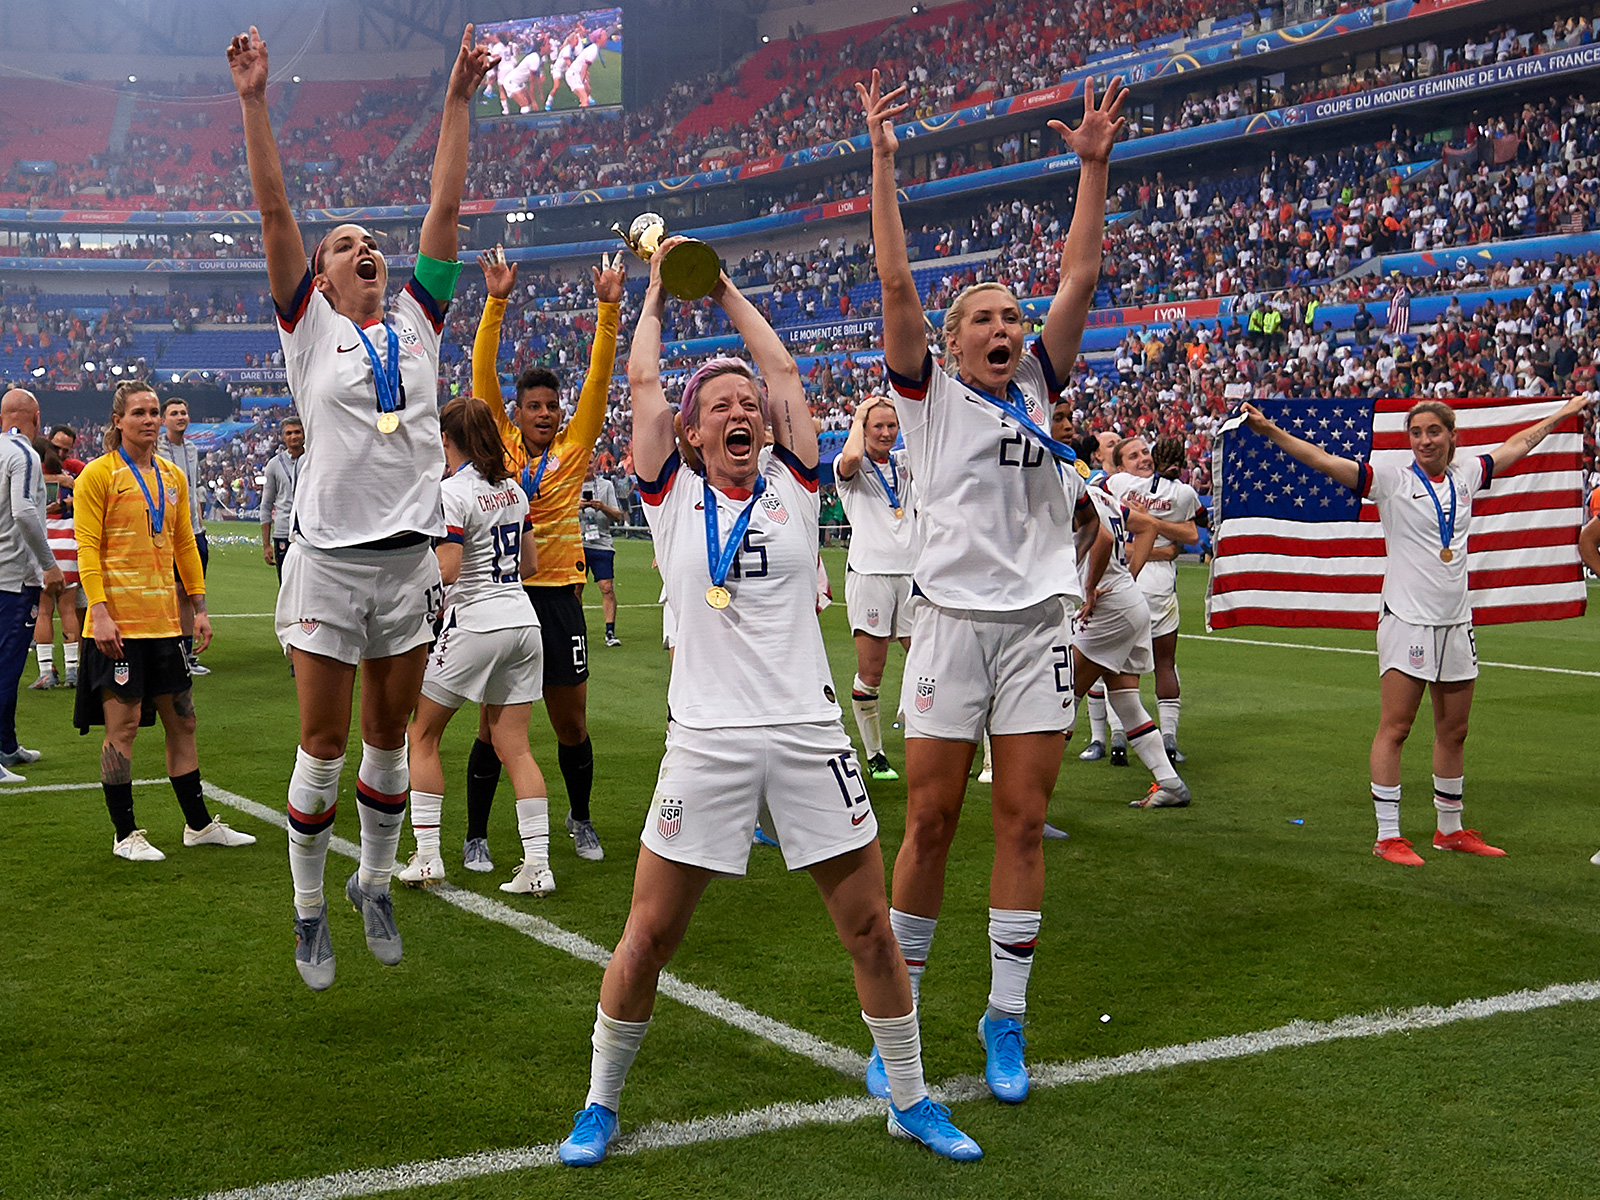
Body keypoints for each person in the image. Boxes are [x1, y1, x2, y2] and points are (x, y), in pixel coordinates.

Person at [555, 241, 980, 1169]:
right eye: (721, 407)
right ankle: (599, 1103)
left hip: (806, 733)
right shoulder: (668, 499)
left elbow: (783, 368)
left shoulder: (792, 483)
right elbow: (641, 384)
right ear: (693, 433)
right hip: (704, 743)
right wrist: (662, 294)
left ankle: (910, 1097)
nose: (742, 410)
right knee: (648, 935)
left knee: (869, 928)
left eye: (749, 404)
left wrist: (726, 287)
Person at [860, 69, 1122, 1103]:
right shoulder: (924, 399)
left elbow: (1083, 275)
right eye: (986, 317)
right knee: (929, 824)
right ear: (954, 338)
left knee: (1019, 822)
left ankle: (1003, 1020)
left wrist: (1091, 167)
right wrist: (882, 165)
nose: (1007, 325)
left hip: (1033, 633)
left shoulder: (1040, 386)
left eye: (1014, 314)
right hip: (952, 628)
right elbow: (893, 287)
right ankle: (900, 1026)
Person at [231, 21, 488, 989]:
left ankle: (373, 884)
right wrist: (256, 102)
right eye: (344, 247)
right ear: (324, 278)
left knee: (390, 740)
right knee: (327, 744)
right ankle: (306, 908)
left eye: (369, 244)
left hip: (409, 562)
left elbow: (446, 203)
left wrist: (457, 98)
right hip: (330, 564)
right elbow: (271, 217)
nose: (361, 251)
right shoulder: (309, 334)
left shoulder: (419, 320)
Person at [1240, 395, 1596, 865]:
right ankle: (1388, 836)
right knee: (1397, 727)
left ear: (1452, 435)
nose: (1424, 440)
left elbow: (1518, 445)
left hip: (1456, 621)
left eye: (1433, 431)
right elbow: (1324, 461)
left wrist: (1563, 414)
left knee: (1455, 729)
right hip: (1407, 619)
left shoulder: (1467, 474)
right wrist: (1272, 434)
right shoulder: (1391, 479)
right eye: (1416, 433)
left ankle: (1449, 830)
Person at [471, 244, 621, 868]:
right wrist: (496, 301)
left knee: (571, 723)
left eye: (550, 407)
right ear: (516, 413)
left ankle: (580, 819)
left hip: (559, 597)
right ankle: (476, 834)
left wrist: (607, 311)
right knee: (493, 727)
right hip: (504, 596)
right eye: (533, 406)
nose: (543, 414)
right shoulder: (499, 446)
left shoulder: (575, 446)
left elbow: (597, 379)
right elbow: (482, 370)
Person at [73, 381, 253, 860]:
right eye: (139, 413)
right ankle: (125, 834)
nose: (150, 420)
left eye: (154, 412)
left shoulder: (173, 476)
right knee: (125, 726)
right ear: (118, 421)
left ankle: (197, 825)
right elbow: (87, 548)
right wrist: (101, 611)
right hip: (118, 628)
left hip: (165, 625)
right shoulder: (98, 475)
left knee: (185, 722)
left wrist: (199, 606)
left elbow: (183, 546)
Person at [399, 398, 551, 894]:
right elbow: (530, 565)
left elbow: (448, 568)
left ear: (448, 440)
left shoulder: (452, 492)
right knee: (517, 747)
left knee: (420, 735)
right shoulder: (512, 491)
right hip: (524, 622)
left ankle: (426, 858)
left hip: (477, 622)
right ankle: (538, 866)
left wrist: (419, 612)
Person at [1069, 482, 1190, 807]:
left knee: (1062, 702)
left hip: (1106, 607)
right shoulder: (1100, 496)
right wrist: (1128, 575)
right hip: (1127, 599)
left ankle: (1029, 809)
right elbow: (1149, 525)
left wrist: (1089, 585)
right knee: (1125, 700)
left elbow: (1104, 538)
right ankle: (1171, 784)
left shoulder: (1065, 489)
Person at [833, 394, 916, 781]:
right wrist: (858, 417)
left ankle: (918, 723)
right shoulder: (849, 467)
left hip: (913, 574)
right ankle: (875, 754)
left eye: (891, 426)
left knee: (928, 659)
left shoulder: (903, 462)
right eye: (877, 426)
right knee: (873, 669)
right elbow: (850, 458)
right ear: (864, 430)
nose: (886, 433)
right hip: (870, 574)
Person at [1104, 436, 1201, 764]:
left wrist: (1145, 528)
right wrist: (1162, 542)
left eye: (1146, 451)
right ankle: (1165, 739)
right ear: (1121, 464)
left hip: (1126, 580)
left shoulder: (1116, 484)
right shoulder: (1182, 494)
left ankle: (1120, 734)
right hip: (1154, 582)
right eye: (1135, 455)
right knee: (1164, 662)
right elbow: (1189, 535)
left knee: (1117, 664)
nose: (1143, 458)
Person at [0, 388, 64, 782]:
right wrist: (49, 565)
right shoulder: (22, 453)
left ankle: (6, 744)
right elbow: (24, 512)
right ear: (36, 417)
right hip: (12, 577)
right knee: (6, 668)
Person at [156, 397, 210, 677]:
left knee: (190, 592)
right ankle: (171, 651)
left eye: (184, 412)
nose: (181, 417)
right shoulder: (156, 449)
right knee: (172, 592)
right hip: (168, 532)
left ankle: (187, 654)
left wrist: (199, 521)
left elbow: (193, 488)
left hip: (193, 531)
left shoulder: (192, 449)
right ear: (163, 420)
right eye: (174, 413)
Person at [30, 439, 81, 690]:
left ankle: (45, 672)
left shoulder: (30, 474)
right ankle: (73, 671)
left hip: (43, 540)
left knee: (44, 611)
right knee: (69, 609)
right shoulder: (69, 477)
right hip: (68, 540)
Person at [579, 461, 625, 646]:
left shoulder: (606, 486)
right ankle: (578, 630)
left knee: (607, 587)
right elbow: (559, 513)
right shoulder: (570, 484)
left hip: (602, 543)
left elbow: (617, 515)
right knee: (575, 589)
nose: (588, 465)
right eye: (584, 461)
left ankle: (610, 632)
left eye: (590, 461)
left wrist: (602, 507)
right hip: (577, 543)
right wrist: (577, 506)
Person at [259, 416, 304, 584]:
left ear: (304, 433)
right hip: (284, 533)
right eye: (289, 433)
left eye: (297, 432)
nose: (294, 436)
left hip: (311, 532)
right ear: (283, 437)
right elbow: (266, 505)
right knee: (286, 585)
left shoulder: (315, 460)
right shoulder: (274, 465)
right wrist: (266, 545)